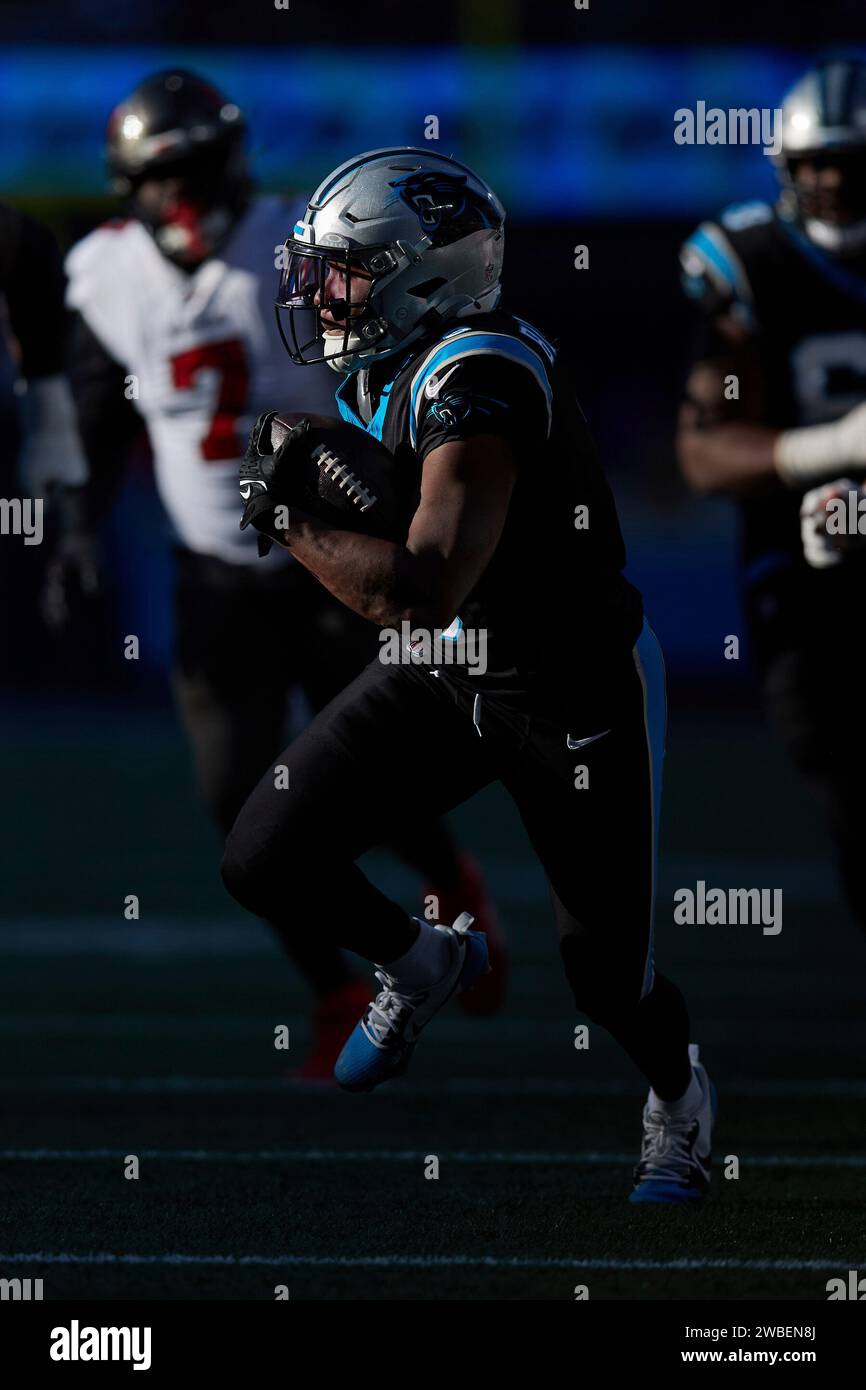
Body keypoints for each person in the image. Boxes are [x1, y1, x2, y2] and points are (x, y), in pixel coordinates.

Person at [223, 145, 714, 1203]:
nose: (317, 293)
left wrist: (287, 512)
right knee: (264, 856)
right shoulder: (390, 362)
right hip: (450, 672)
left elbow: (420, 585)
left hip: (568, 690)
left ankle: (678, 1102)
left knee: (605, 979)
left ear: (419, 274)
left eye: (341, 269)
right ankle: (417, 959)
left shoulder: (478, 379)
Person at [61, 73, 502, 1077]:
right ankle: (339, 987)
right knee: (236, 799)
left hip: (332, 556)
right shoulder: (102, 272)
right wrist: (78, 527)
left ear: (226, 161)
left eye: (187, 169)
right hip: (213, 569)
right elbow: (95, 416)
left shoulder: (299, 239)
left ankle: (445, 880)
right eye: (154, 176)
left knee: (367, 776)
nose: (174, 196)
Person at [677, 56, 866, 934]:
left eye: (853, 161)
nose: (833, 181)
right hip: (798, 573)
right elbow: (706, 447)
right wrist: (830, 450)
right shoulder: (752, 263)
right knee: (840, 782)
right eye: (817, 163)